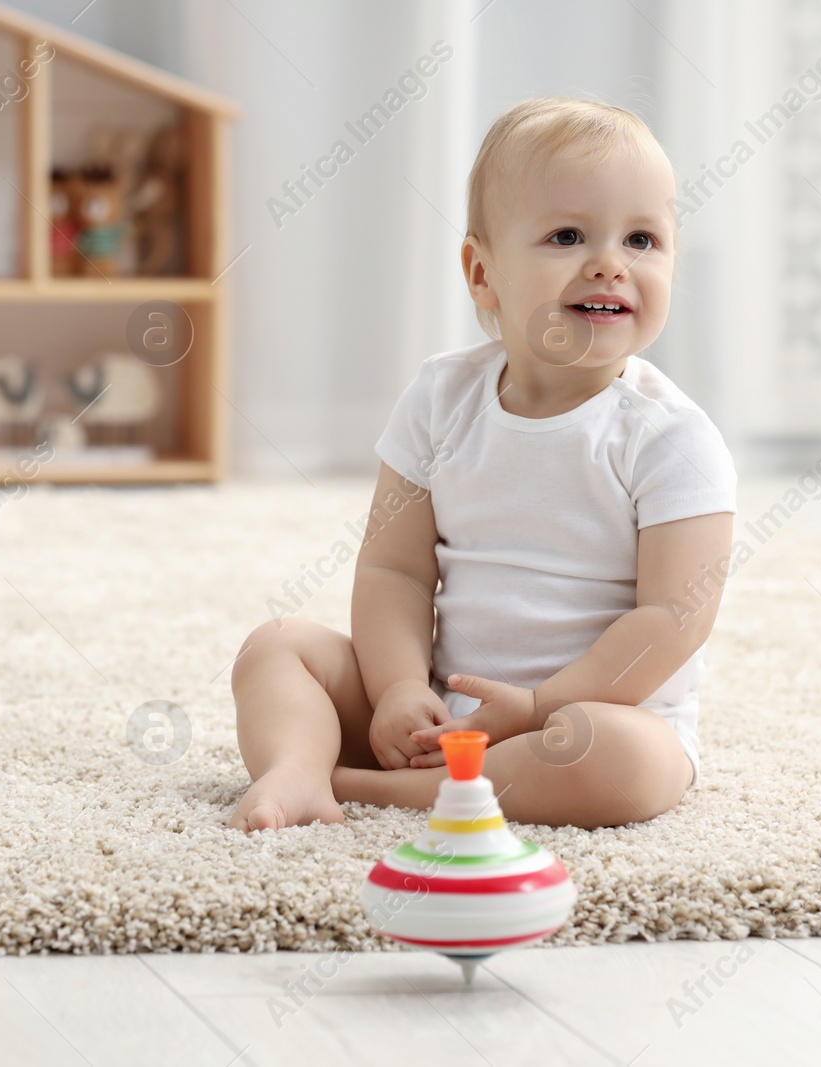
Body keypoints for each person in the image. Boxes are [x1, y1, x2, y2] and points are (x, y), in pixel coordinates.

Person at [228, 97, 737, 832]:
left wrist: (538, 706)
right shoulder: (442, 398)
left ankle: (353, 784)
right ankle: (295, 767)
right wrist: (400, 686)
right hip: (443, 704)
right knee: (276, 648)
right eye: (568, 234)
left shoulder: (670, 437)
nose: (610, 263)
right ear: (482, 271)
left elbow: (673, 618)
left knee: (617, 761)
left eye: (642, 239)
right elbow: (393, 571)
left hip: (585, 715)